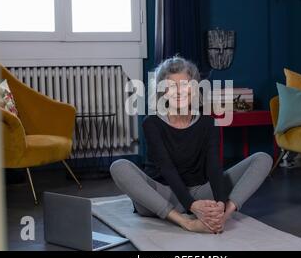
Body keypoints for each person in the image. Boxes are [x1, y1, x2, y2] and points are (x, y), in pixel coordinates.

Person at [110, 56, 273, 234]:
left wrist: (219, 204)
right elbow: (167, 168)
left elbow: (213, 166)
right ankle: (186, 222)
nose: (178, 91)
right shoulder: (152, 123)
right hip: (163, 195)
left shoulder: (208, 123)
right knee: (119, 166)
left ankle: (221, 218)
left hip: (199, 192)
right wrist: (191, 206)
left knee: (262, 158)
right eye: (171, 86)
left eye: (185, 85)